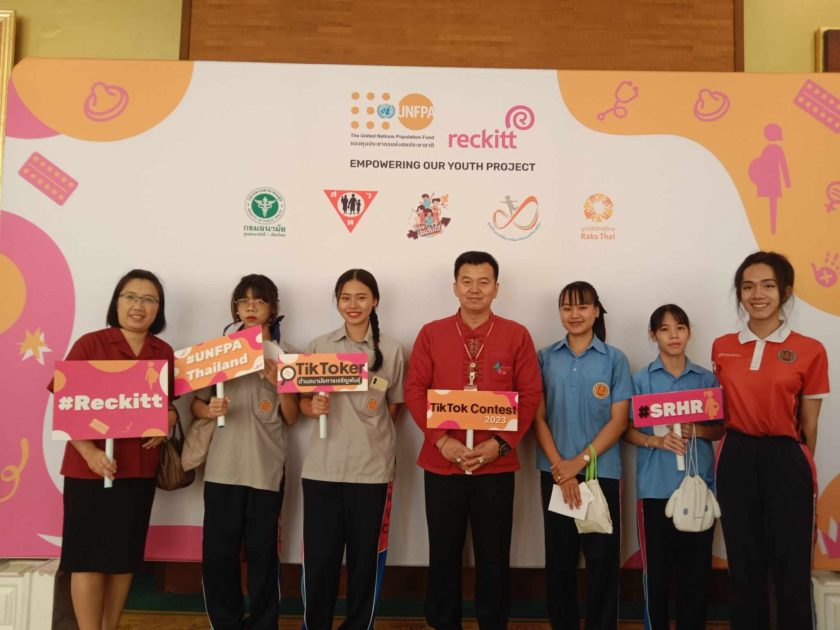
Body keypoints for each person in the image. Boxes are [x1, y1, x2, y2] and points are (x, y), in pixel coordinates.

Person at [405, 251, 542, 628]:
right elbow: (414, 390)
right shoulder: (432, 332)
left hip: (495, 465)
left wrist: (499, 444)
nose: (475, 289)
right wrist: (442, 441)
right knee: (443, 553)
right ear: (455, 287)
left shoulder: (516, 334)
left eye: (484, 282)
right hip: (441, 464)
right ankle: (442, 622)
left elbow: (530, 395)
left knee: (494, 555)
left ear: (497, 288)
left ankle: (493, 623)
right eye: (467, 281)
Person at [50, 269, 177, 630]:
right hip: (89, 470)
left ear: (158, 309)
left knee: (124, 559)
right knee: (86, 559)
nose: (139, 306)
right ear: (117, 303)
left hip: (138, 470)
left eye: (149, 299)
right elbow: (65, 403)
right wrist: (90, 453)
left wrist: (167, 419)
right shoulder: (90, 345)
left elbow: (169, 406)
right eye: (131, 297)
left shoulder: (163, 351)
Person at [712, 251, 829, 629]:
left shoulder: (811, 349)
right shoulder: (722, 346)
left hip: (787, 456)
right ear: (739, 293)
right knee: (744, 565)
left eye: (767, 285)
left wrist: (796, 467)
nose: (757, 294)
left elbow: (810, 423)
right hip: (736, 454)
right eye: (748, 287)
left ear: (785, 292)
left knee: (791, 565)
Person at [191, 274, 299, 630]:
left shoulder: (286, 354)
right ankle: (225, 622)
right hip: (223, 469)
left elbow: (292, 417)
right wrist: (208, 410)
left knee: (263, 555)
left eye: (260, 300)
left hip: (266, 470)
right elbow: (196, 405)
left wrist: (279, 382)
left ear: (273, 308)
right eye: (244, 300)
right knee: (219, 554)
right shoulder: (218, 352)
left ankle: (264, 623)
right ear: (235, 308)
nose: (251, 307)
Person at [299, 269, 405, 629]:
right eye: (345, 298)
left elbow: (395, 406)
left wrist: (369, 431)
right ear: (337, 302)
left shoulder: (391, 349)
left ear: (375, 300)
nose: (353, 305)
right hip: (322, 470)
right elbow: (302, 403)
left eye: (361, 297)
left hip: (372, 472)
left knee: (364, 563)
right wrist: (312, 408)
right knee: (320, 562)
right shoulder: (319, 346)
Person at [533, 280, 631, 630]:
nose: (574, 314)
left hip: (602, 474)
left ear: (596, 311)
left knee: (602, 563)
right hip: (555, 473)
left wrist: (580, 462)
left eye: (582, 307)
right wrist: (562, 469)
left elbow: (619, 421)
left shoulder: (615, 359)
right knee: (560, 563)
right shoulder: (545, 357)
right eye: (567, 307)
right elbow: (538, 418)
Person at [623, 304, 723, 630]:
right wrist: (655, 441)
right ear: (653, 335)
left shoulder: (706, 379)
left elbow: (719, 429)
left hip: (699, 490)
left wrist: (699, 431)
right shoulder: (641, 380)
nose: (674, 335)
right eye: (664, 329)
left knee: (696, 575)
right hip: (656, 490)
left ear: (689, 332)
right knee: (657, 575)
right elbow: (625, 430)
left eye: (680, 328)